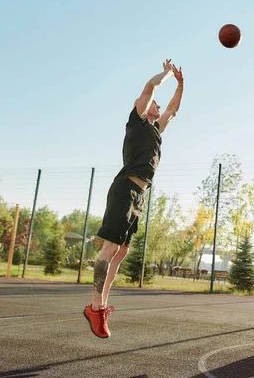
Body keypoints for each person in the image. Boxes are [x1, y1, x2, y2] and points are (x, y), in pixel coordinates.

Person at [83, 59, 184, 338]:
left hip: (139, 194)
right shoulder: (137, 121)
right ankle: (95, 307)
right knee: (110, 249)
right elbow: (150, 87)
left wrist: (181, 84)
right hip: (124, 188)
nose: (159, 107)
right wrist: (165, 74)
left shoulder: (155, 130)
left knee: (122, 251)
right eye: (155, 104)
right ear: (144, 106)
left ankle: (100, 305)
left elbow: (173, 110)